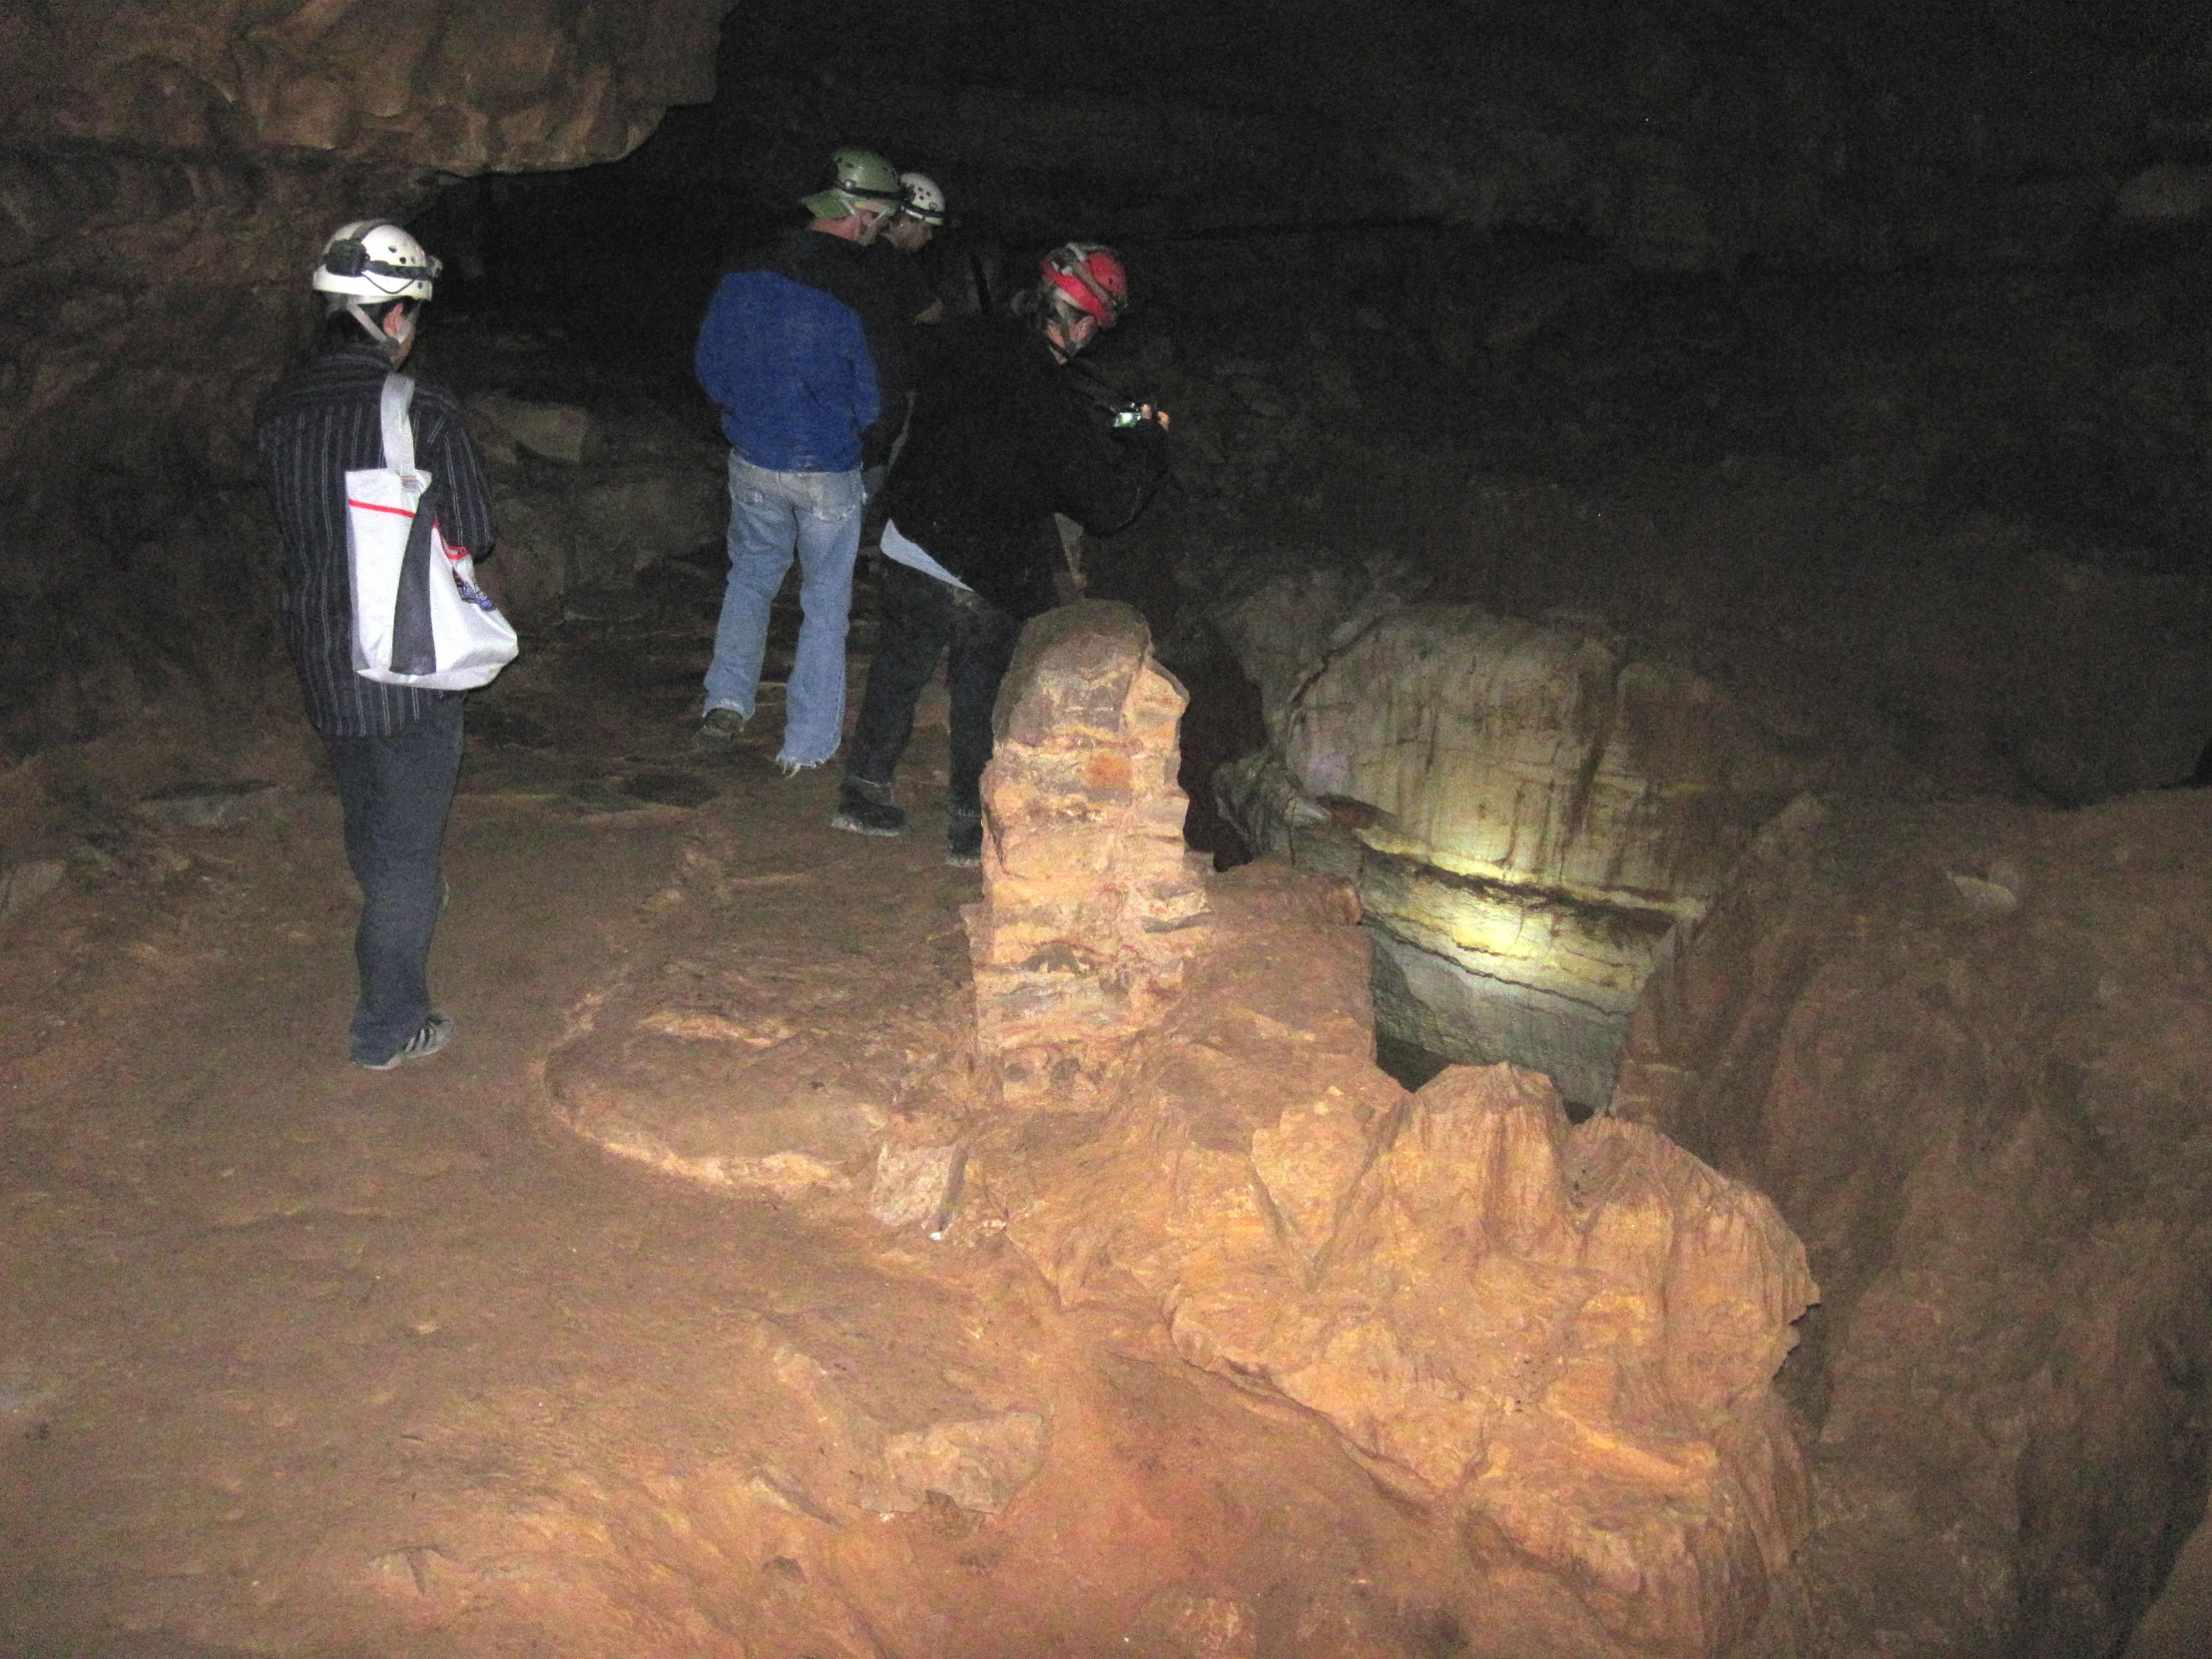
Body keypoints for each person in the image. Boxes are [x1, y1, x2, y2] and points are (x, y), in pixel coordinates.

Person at [832, 242, 1171, 865]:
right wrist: (1146, 442)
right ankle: (967, 825)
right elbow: (1108, 508)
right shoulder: (1055, 405)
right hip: (986, 569)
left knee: (900, 668)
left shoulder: (962, 341)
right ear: (1082, 320)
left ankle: (863, 790)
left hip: (913, 537)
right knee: (979, 694)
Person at [255, 221, 492, 1069]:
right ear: (394, 319)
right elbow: (475, 528)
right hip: (406, 653)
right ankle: (387, 1024)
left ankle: (400, 903)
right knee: (408, 848)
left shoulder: (278, 406)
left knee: (371, 806)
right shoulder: (417, 406)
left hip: (322, 643)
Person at [693, 147, 905, 772]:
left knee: (751, 578)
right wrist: (866, 445)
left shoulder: (744, 270)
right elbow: (880, 397)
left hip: (754, 457)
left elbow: (710, 366)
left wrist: (741, 418)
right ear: (862, 213)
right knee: (825, 604)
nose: (881, 231)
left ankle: (726, 701)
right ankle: (807, 744)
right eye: (881, 219)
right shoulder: (862, 288)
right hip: (828, 469)